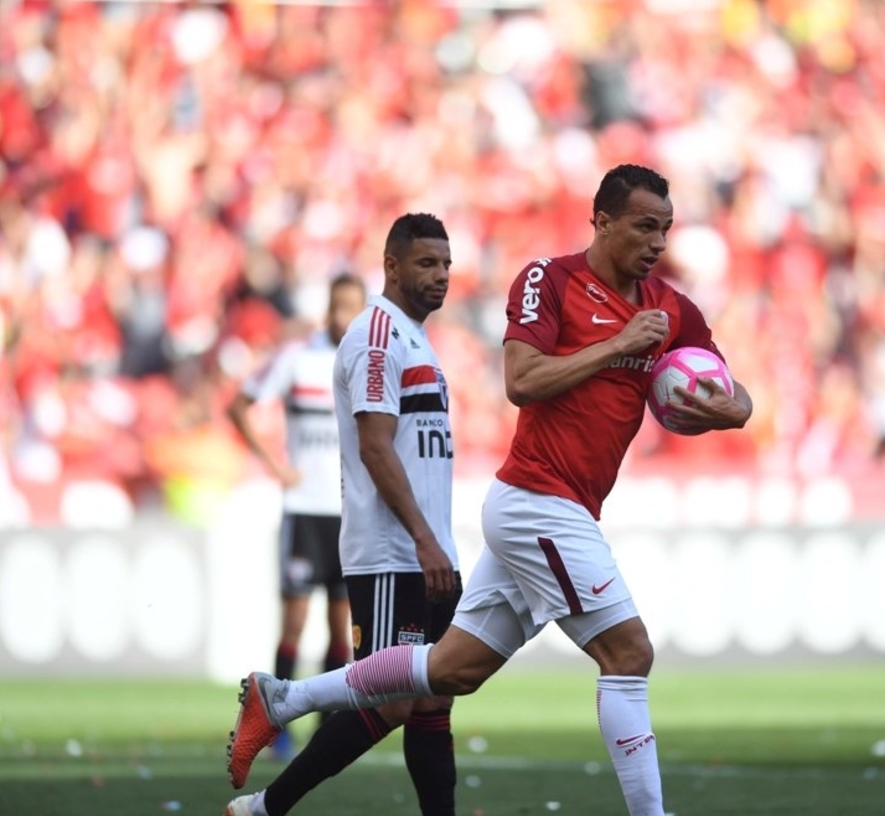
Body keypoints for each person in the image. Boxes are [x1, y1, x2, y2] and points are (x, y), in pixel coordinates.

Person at [226, 165, 753, 816]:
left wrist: (728, 409)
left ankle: (285, 704)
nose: (658, 242)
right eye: (645, 226)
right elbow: (521, 380)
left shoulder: (670, 309)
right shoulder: (549, 281)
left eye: (665, 229)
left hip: (559, 508)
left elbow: (731, 387)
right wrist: (618, 345)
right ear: (603, 220)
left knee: (448, 672)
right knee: (629, 653)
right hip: (539, 502)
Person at [226, 213, 462, 816]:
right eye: (426, 263)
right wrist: (423, 540)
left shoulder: (414, 336)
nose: (440, 275)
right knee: (395, 698)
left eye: (445, 264)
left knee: (432, 697)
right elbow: (376, 448)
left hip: (427, 547)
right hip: (392, 552)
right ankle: (265, 801)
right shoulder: (377, 337)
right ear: (391, 266)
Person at [226, 273, 366, 759]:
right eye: (337, 304)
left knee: (341, 626)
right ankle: (274, 726)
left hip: (349, 514)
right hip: (304, 510)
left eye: (352, 306)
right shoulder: (297, 358)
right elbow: (238, 406)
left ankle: (325, 731)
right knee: (295, 620)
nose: (343, 314)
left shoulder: (368, 362)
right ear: (327, 308)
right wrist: (275, 466)